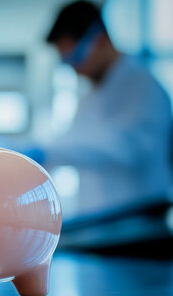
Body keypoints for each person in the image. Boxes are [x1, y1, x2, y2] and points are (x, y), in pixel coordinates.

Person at [30, 1, 171, 215]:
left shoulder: (142, 85)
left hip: (139, 223)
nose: (75, 70)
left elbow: (121, 146)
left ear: (100, 40)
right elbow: (71, 143)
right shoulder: (90, 96)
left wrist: (47, 151)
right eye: (66, 62)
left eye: (76, 57)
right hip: (100, 224)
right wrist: (27, 162)